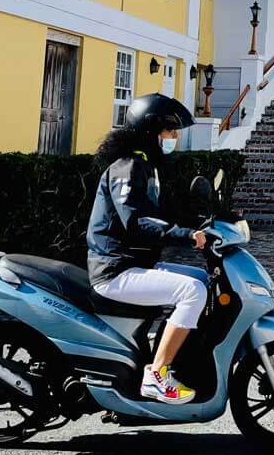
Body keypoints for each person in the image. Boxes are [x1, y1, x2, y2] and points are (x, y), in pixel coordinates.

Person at [86, 92, 206, 405]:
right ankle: (157, 374)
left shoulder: (144, 164)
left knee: (203, 279)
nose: (174, 138)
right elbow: (136, 222)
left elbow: (160, 214)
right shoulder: (128, 167)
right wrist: (184, 236)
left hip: (131, 265)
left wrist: (208, 220)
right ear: (152, 131)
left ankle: (178, 356)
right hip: (114, 271)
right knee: (193, 290)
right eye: (170, 131)